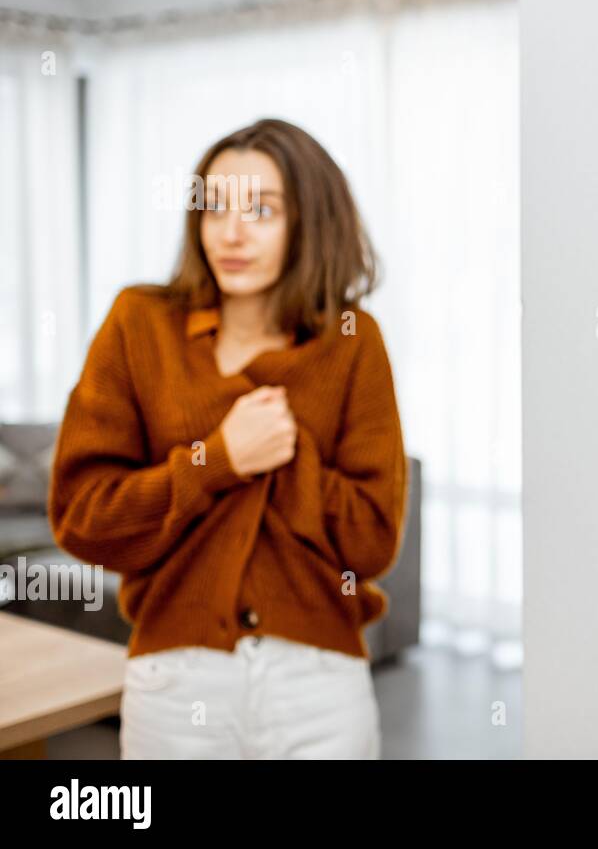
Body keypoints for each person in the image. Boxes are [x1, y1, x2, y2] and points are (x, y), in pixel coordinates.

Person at [48, 118, 407, 759]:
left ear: (311, 221)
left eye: (261, 210)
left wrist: (287, 458)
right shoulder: (139, 324)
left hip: (320, 687)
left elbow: (373, 540)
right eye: (213, 207)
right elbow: (84, 518)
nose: (231, 232)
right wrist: (217, 460)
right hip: (176, 681)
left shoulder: (354, 339)